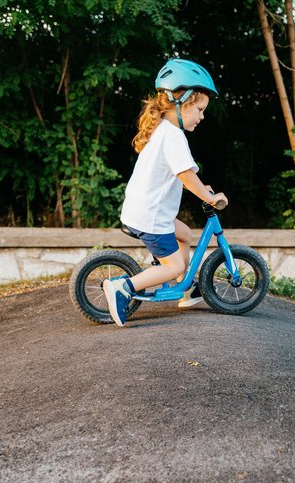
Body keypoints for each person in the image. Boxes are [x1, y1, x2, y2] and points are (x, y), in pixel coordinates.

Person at [103, 59, 228, 327]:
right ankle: (124, 288)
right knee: (175, 266)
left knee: (185, 234)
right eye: (200, 109)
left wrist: (200, 187)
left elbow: (179, 174)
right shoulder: (173, 136)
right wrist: (209, 198)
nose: (202, 117)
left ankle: (183, 288)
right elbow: (184, 174)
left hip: (144, 210)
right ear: (183, 102)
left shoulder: (163, 131)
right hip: (151, 216)